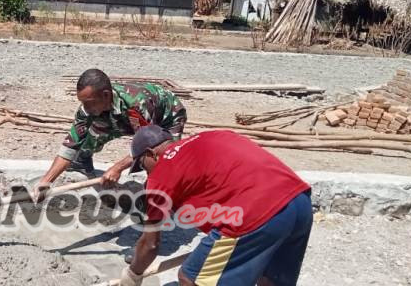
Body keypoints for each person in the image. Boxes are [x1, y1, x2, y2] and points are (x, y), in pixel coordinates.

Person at [119, 126, 312, 286]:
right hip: (299, 201)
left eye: (143, 167)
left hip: (255, 213)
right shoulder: (213, 135)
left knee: (191, 278)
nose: (146, 174)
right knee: (271, 281)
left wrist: (133, 274)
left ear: (151, 154)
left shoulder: (161, 173)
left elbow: (150, 243)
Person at [35, 68, 186, 193]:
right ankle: (82, 162)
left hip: (168, 116)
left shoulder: (137, 104)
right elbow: (70, 145)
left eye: (88, 103)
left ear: (106, 95)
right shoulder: (88, 109)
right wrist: (46, 182)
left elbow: (147, 146)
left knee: (161, 160)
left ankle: (154, 195)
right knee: (93, 133)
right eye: (82, 103)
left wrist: (117, 168)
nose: (85, 108)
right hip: (121, 116)